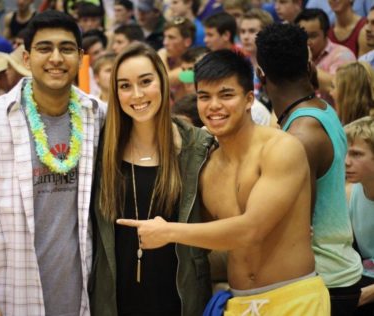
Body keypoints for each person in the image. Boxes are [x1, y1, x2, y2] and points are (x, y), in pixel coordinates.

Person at [117, 49, 329, 315]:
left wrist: (168, 231)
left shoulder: (281, 148)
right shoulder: (207, 167)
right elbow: (210, 241)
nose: (214, 106)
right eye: (205, 97)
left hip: (295, 298)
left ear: (249, 99)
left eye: (226, 95)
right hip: (237, 302)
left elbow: (251, 231)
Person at [0, 10, 106, 315]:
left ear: (81, 58)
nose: (56, 57)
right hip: (8, 297)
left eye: (66, 48)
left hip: (80, 299)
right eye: (45, 48)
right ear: (27, 59)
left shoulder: (98, 116)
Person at [90, 42, 212, 316]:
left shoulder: (198, 146)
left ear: (162, 82)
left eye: (146, 81)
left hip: (180, 298)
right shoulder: (99, 150)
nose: (137, 94)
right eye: (124, 86)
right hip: (115, 300)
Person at [256, 23, 364, 316]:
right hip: (335, 272)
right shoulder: (320, 109)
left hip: (323, 281)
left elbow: (297, 228)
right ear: (308, 63)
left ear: (260, 74)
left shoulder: (301, 136)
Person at [295, 9, 356, 105]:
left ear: (326, 33)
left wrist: (306, 62)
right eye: (302, 36)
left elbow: (338, 88)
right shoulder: (295, 55)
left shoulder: (343, 55)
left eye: (313, 36)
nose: (307, 42)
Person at [345, 116, 374, 315]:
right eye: (346, 153)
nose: (346, 162)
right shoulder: (351, 192)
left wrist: (365, 295)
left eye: (356, 154)